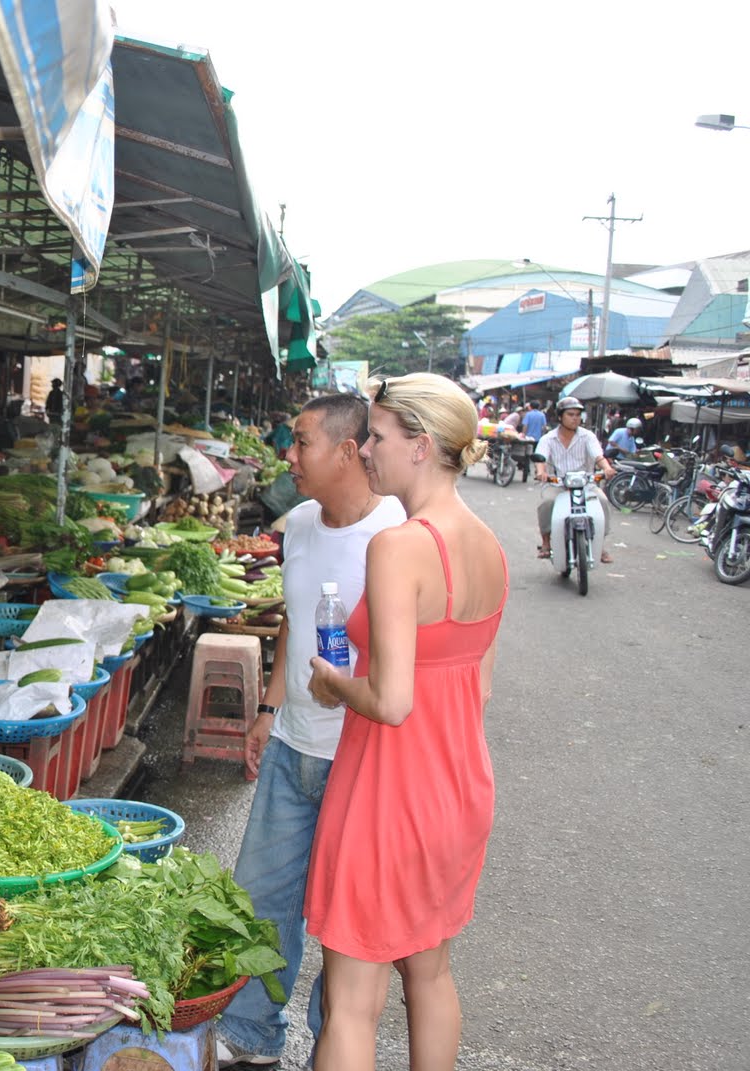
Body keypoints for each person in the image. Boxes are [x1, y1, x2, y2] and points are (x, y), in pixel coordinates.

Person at [303, 372, 508, 1071]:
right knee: (431, 975)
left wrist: (334, 682)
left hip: (389, 791)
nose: (365, 451)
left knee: (352, 1001)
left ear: (420, 445)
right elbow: (478, 689)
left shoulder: (399, 545)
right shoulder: (488, 544)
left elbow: (391, 700)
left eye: (380, 437)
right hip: (458, 789)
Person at [214, 394, 406, 1070]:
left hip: (361, 756)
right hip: (294, 741)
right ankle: (251, 1033)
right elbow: (296, 617)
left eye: (300, 442)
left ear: (348, 450)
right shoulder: (296, 523)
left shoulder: (398, 532)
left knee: (343, 919)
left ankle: (336, 1038)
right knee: (261, 897)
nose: (287, 457)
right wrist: (268, 708)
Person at [534, 397, 616, 563]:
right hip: (558, 484)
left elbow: (598, 456)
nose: (575, 418)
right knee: (547, 503)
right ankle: (546, 542)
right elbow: (540, 459)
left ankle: (600, 544)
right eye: (570, 414)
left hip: (586, 484)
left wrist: (606, 468)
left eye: (578, 415)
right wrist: (541, 472)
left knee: (602, 500)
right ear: (560, 417)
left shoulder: (588, 436)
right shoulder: (548, 438)